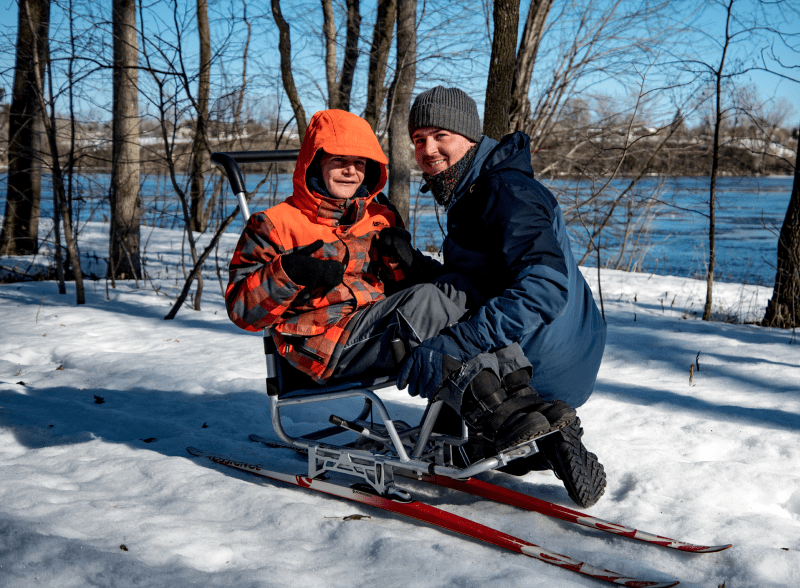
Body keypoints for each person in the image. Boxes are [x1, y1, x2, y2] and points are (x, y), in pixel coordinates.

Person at [224, 109, 570, 457]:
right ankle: (499, 418)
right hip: (323, 344)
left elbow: (402, 287)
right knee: (427, 302)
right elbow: (242, 310)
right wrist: (290, 271)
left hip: (379, 327)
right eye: (338, 160)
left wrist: (405, 262)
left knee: (459, 289)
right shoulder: (274, 224)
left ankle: (523, 399)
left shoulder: (379, 216)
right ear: (315, 162)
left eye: (359, 163)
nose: (350, 171)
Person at [391, 86, 609, 507]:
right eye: (418, 139)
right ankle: (542, 437)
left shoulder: (504, 190)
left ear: (470, 138)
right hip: (575, 351)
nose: (428, 150)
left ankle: (521, 421)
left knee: (436, 330)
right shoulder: (482, 187)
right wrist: (417, 265)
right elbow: (478, 282)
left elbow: (544, 288)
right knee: (459, 437)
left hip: (541, 358)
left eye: (441, 136)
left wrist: (457, 342)